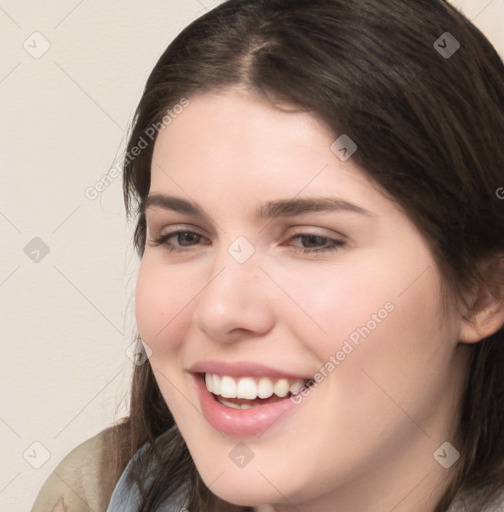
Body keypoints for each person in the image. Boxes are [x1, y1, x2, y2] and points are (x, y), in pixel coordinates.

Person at [31, 0, 504, 511]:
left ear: (483, 292)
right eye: (184, 236)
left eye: (311, 240)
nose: (219, 311)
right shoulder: (91, 493)